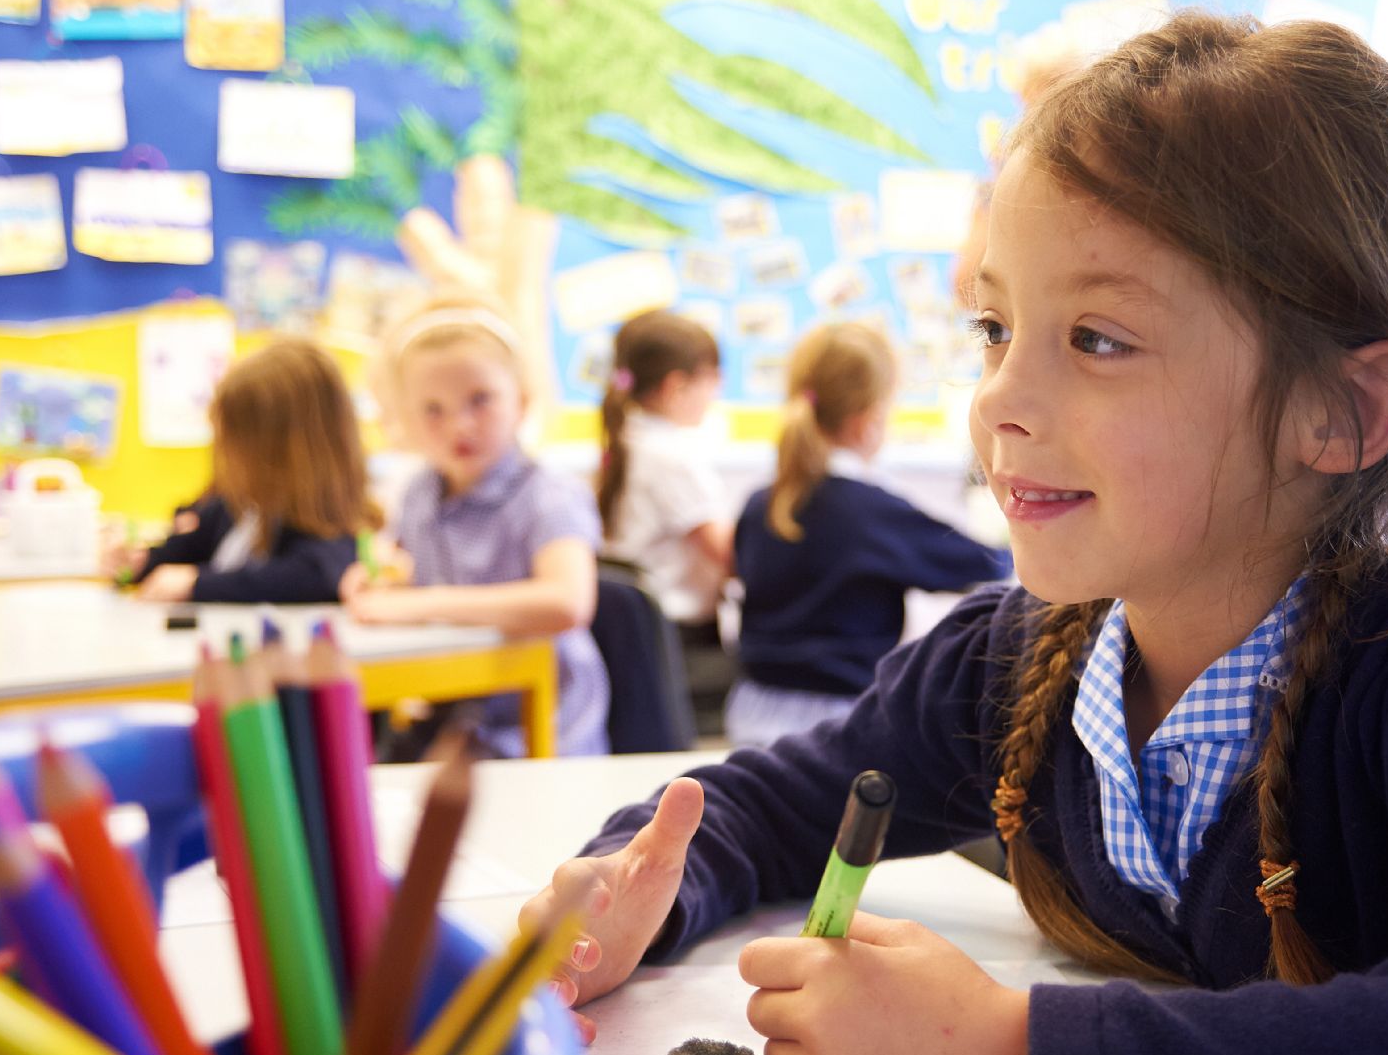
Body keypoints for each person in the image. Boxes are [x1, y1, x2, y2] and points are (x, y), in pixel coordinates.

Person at [519, 11, 1388, 1055]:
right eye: (995, 329)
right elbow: (778, 798)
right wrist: (635, 880)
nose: (999, 400)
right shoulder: (1012, 660)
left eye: (1097, 339)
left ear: (1341, 411)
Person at [342, 288, 609, 758]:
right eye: (433, 410)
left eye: (480, 400)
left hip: (541, 733)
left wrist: (426, 603)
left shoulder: (549, 494)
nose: (459, 426)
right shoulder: (419, 493)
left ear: (522, 402)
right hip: (455, 723)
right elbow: (404, 579)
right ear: (405, 417)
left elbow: (568, 601)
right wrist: (379, 578)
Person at [727, 321, 1009, 747]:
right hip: (838, 726)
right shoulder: (870, 511)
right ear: (869, 420)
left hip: (750, 710)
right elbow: (987, 565)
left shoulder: (758, 504)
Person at [114, 338, 369, 603]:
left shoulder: (328, 526)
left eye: (233, 445)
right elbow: (186, 549)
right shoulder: (237, 506)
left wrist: (198, 584)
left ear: (276, 450)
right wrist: (142, 561)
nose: (225, 459)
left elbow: (313, 576)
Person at [595, 309, 734, 733]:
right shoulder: (671, 456)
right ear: (676, 386)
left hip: (640, 647)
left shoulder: (627, 442)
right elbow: (730, 556)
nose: (716, 393)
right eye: (712, 379)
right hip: (680, 649)